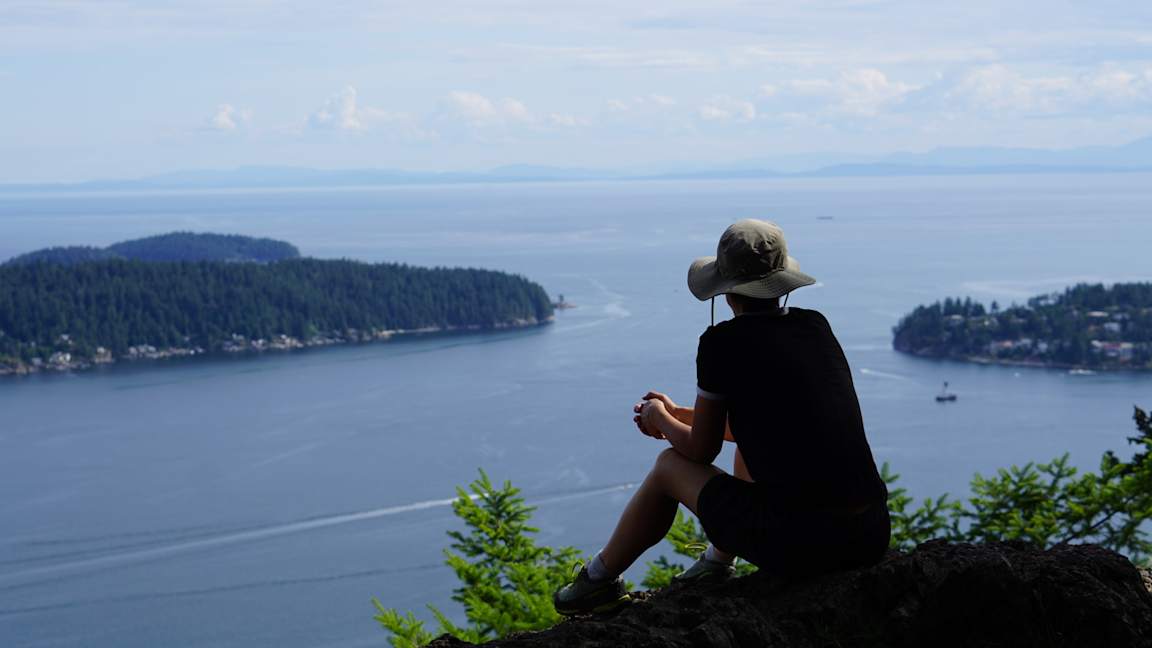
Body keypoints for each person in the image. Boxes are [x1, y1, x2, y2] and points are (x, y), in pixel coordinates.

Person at [553, 219, 890, 616]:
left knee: (667, 467)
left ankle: (597, 582)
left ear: (727, 292)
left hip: (803, 545)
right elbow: (766, 426)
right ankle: (715, 563)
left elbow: (700, 450)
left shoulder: (721, 344)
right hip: (869, 534)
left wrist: (658, 416)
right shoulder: (814, 327)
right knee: (750, 446)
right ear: (781, 283)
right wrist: (678, 413)